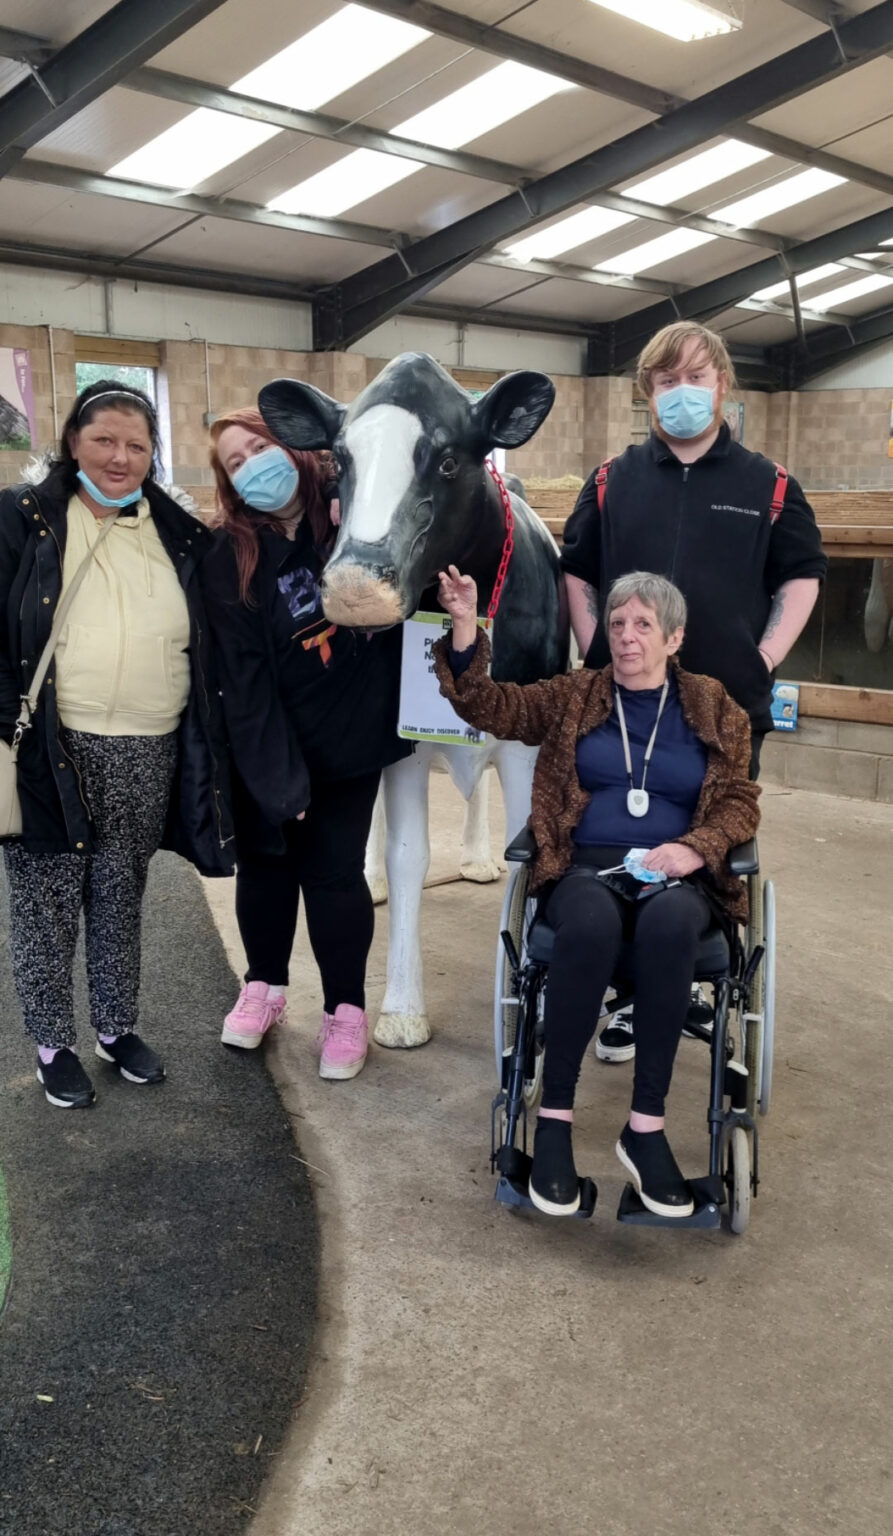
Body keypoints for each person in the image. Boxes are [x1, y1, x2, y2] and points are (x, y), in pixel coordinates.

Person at [433, 567, 760, 1218]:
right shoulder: (575, 694)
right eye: (616, 623)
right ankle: (554, 1122)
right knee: (587, 922)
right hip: (586, 867)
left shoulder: (714, 705)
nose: (626, 636)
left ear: (674, 638)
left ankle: (645, 1129)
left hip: (676, 874)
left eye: (643, 624)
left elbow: (739, 802)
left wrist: (695, 848)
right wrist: (466, 627)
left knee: (672, 924)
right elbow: (491, 707)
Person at [560, 320, 824, 1063]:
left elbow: (802, 576)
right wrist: (595, 650)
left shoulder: (769, 485)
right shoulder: (611, 481)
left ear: (722, 385)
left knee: (704, 844)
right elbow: (576, 570)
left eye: (696, 378)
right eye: (667, 380)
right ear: (647, 392)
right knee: (615, 841)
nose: (682, 392)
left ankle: (692, 984)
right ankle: (625, 992)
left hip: (724, 713)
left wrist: (760, 659)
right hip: (622, 708)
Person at [0, 381, 233, 1110]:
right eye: (104, 439)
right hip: (51, 743)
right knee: (45, 901)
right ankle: (52, 1043)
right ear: (74, 442)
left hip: (148, 744)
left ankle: (115, 1027)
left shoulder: (179, 533)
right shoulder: (25, 516)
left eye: (137, 445)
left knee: (119, 892)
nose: (120, 457)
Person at [202, 407, 409, 1080]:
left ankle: (345, 1011)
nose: (251, 467)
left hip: (349, 741)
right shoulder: (229, 554)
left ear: (291, 446)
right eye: (235, 463)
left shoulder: (355, 520)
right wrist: (278, 779)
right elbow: (242, 678)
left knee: (334, 875)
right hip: (268, 741)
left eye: (258, 448)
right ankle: (263, 987)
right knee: (266, 868)